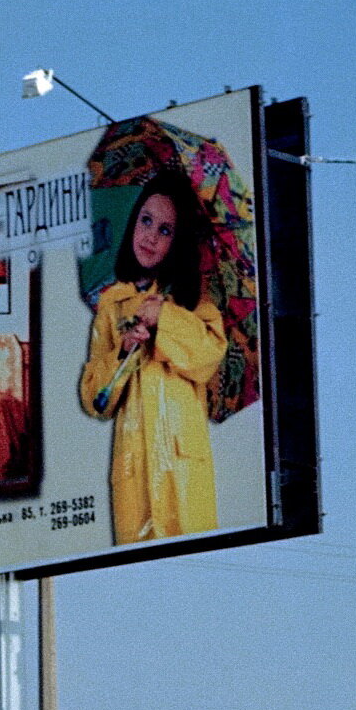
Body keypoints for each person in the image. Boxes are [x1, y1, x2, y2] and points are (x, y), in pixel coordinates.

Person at [78, 172, 228, 542]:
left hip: (182, 467)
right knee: (138, 562)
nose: (150, 236)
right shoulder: (112, 306)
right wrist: (122, 352)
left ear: (177, 241)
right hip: (135, 469)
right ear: (133, 222)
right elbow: (95, 400)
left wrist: (166, 317)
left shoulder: (195, 302)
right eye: (146, 220)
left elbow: (208, 357)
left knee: (195, 558)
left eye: (165, 230)